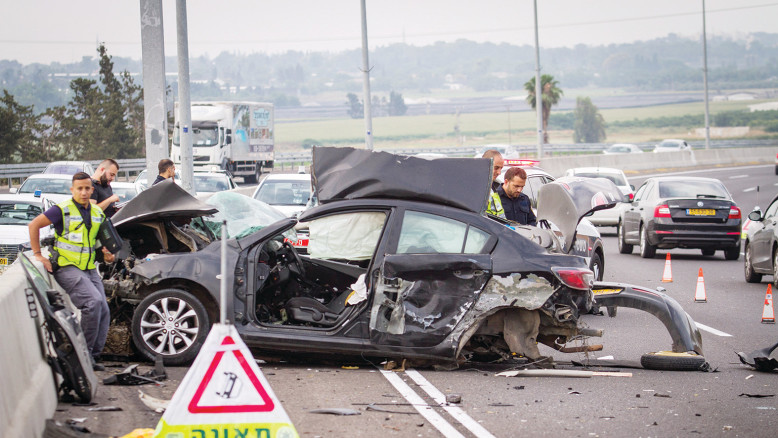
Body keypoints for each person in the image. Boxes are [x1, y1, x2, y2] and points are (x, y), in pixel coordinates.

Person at [28, 172, 115, 371]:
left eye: (87, 188)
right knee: (92, 303)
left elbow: (101, 243)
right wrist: (38, 254)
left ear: (92, 190)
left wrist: (107, 255)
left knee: (103, 308)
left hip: (89, 268)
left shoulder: (96, 212)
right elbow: (34, 225)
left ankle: (91, 358)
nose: (84, 192)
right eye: (79, 189)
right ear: (72, 190)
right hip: (67, 267)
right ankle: (80, 357)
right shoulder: (61, 210)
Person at [481, 149, 505, 218]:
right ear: (485, 165)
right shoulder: (477, 189)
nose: (499, 173)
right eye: (496, 168)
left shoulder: (493, 189)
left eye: (501, 168)